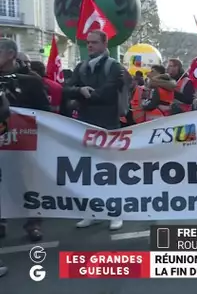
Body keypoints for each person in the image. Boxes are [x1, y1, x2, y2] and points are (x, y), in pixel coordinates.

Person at [62, 30, 125, 231]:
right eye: (88, 42)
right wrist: (80, 91)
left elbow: (106, 93)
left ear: (105, 44)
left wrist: (83, 94)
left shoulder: (114, 66)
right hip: (85, 125)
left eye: (94, 42)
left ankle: (116, 213)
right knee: (89, 172)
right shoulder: (81, 67)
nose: (89, 46)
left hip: (108, 126)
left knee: (110, 174)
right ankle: (93, 212)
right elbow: (65, 88)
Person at [0, 39, 51, 277]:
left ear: (10, 54)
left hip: (22, 143)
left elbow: (44, 111)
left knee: (24, 184)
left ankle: (33, 222)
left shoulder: (30, 80)